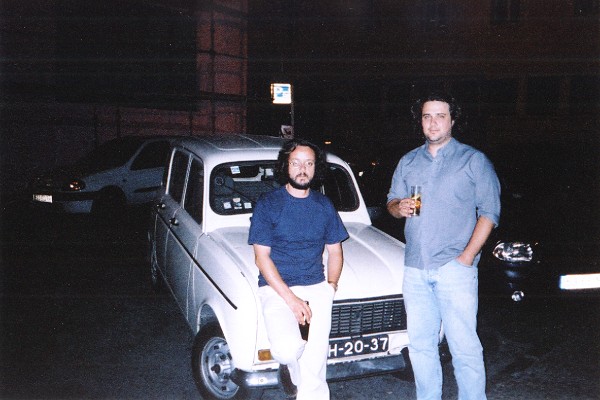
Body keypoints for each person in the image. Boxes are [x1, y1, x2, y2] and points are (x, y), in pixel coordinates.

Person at [387, 92, 501, 400]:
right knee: (421, 347)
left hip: (455, 269)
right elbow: (391, 204)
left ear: (452, 120)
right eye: (427, 116)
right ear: (420, 122)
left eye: (440, 116)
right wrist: (401, 207)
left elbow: (489, 212)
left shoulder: (473, 160)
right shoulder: (408, 161)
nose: (433, 122)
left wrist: (466, 258)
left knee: (464, 347)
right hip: (415, 267)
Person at [248, 138, 348, 400]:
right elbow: (262, 258)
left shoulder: (324, 206)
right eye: (296, 163)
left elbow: (335, 251)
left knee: (315, 360)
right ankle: (291, 369)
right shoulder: (268, 204)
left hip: (315, 286)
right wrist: (291, 300)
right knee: (286, 350)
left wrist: (330, 288)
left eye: (309, 163)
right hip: (276, 288)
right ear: (286, 166)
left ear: (316, 169)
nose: (302, 169)